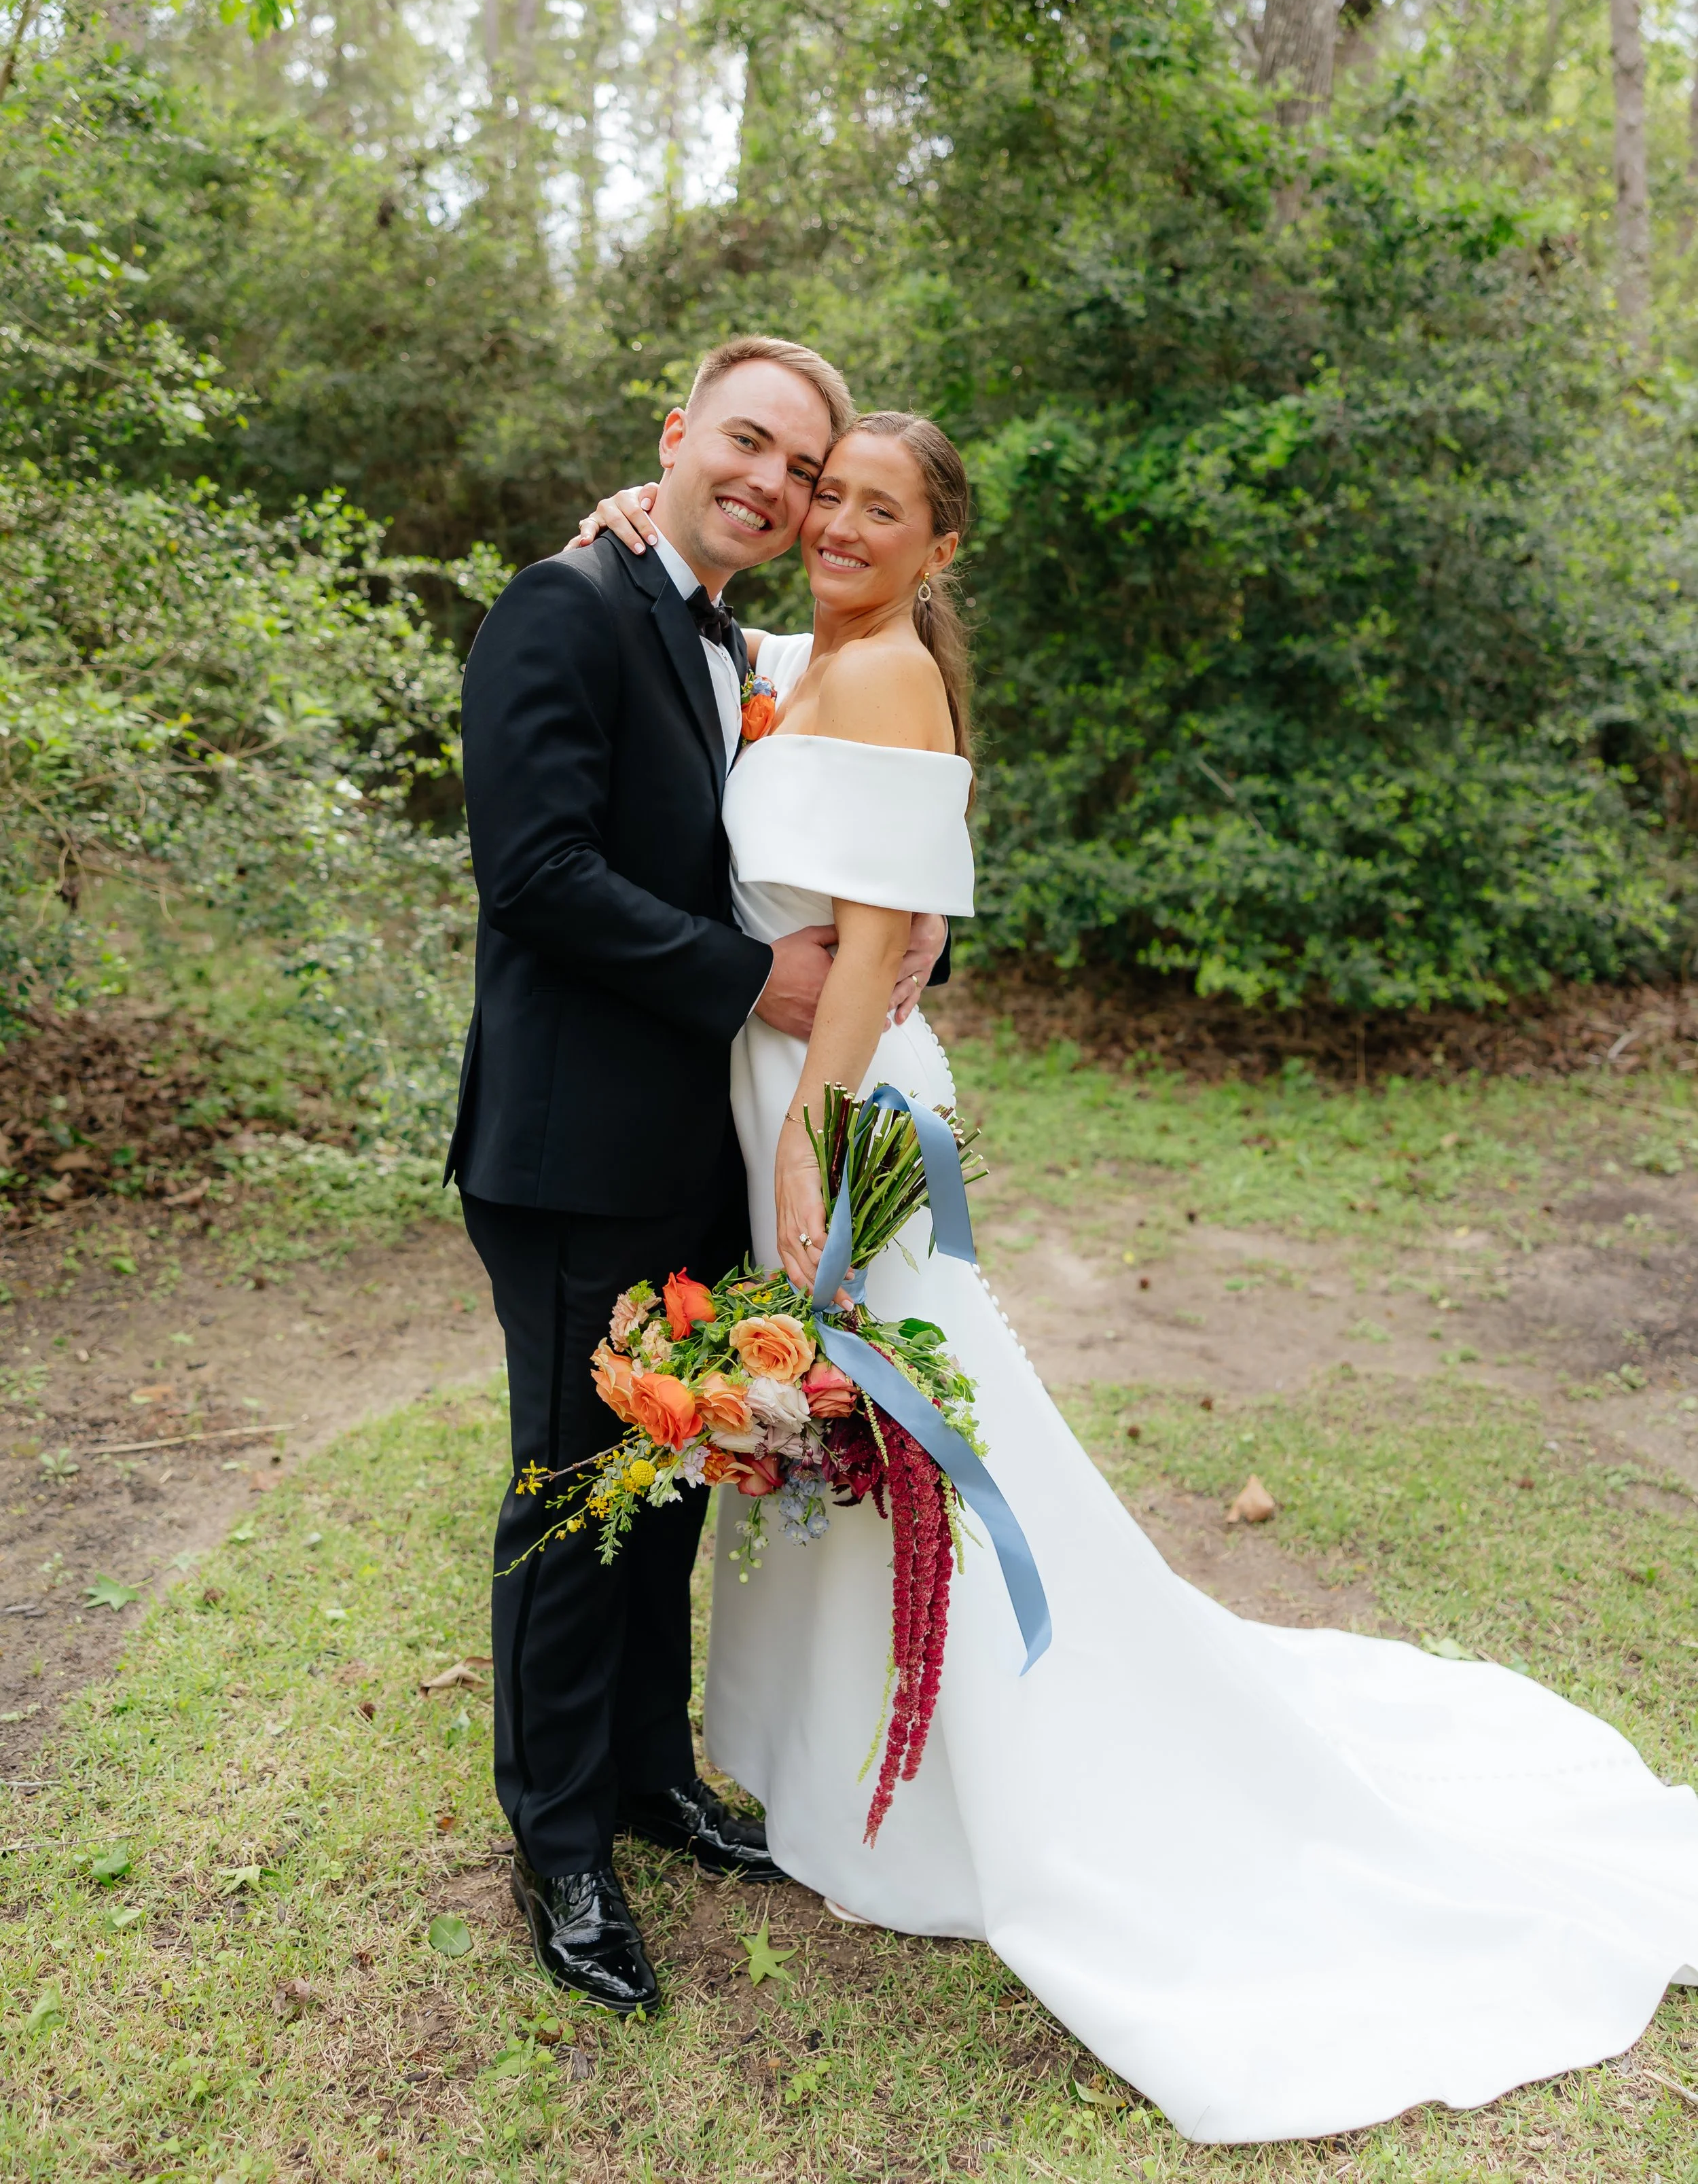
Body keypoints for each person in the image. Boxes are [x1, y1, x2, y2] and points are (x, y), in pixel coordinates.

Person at [573, 415, 1698, 2144]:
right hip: (779, 1094)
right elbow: (723, 638)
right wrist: (630, 517)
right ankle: (851, 1777)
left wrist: (808, 1138)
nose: (841, 524)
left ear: (941, 546)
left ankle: (990, 1791)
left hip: (838, 1102)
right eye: (831, 498)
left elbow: (876, 943)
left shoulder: (883, 684)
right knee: (868, 1439)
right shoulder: (821, 652)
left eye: (882, 509)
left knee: (922, 1436)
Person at [448, 338, 947, 2015]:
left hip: (693, 1145)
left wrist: (894, 920)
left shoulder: (725, 636)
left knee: (668, 1474)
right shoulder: (562, 608)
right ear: (677, 437)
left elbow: (865, 744)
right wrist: (761, 986)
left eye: (802, 470)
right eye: (747, 444)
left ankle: (651, 1781)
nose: (774, 483)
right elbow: (538, 875)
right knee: (572, 1497)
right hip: (568, 1147)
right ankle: (561, 1845)